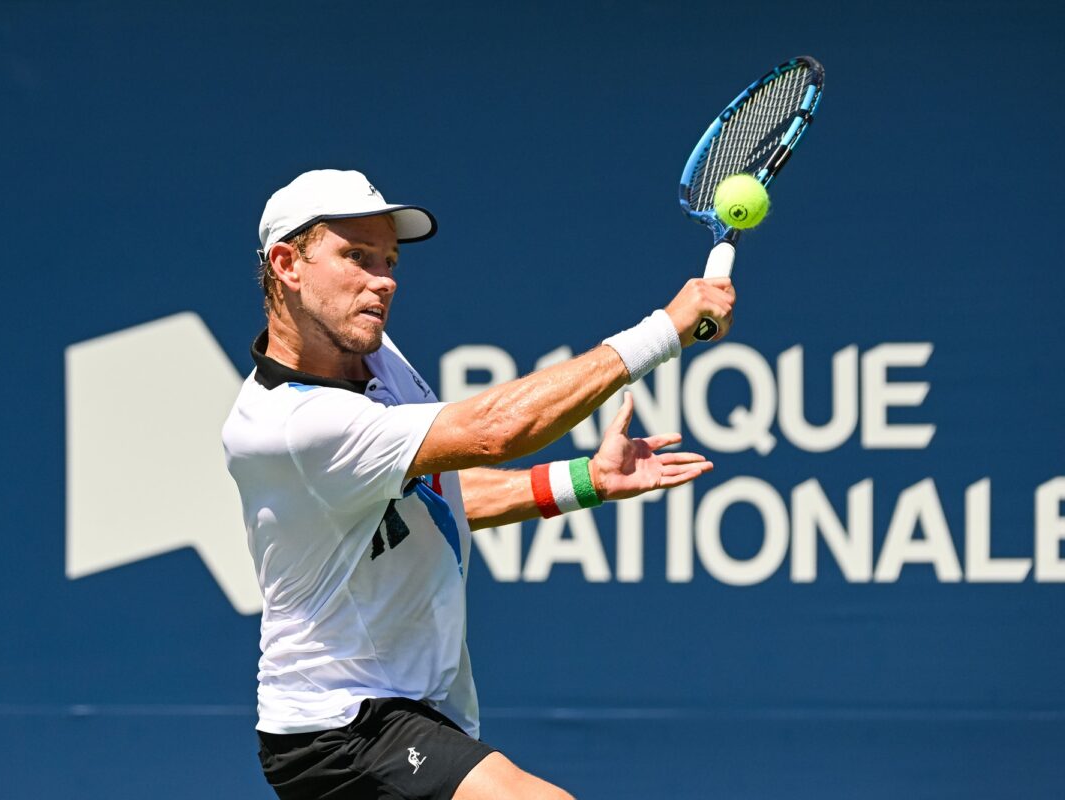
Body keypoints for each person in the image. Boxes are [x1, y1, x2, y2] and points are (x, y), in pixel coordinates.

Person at [222, 169, 736, 800]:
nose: (381, 280)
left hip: (408, 709)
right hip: (344, 727)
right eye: (354, 257)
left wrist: (584, 479)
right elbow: (498, 429)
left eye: (389, 260)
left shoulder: (371, 355)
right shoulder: (292, 426)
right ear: (286, 265)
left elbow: (440, 500)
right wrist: (666, 329)